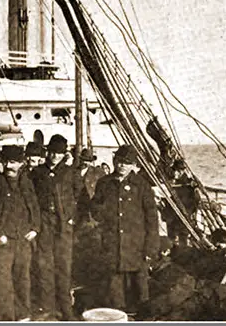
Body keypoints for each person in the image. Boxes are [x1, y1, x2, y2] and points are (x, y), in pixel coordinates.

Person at [90, 145, 160, 313]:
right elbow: (95, 206)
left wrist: (151, 246)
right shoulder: (104, 183)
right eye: (120, 161)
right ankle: (119, 311)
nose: (122, 166)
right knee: (115, 278)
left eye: (127, 163)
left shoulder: (142, 186)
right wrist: (102, 216)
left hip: (136, 241)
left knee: (140, 279)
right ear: (114, 161)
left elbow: (152, 218)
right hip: (112, 239)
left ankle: (143, 313)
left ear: (133, 165)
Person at [0, 146, 41, 321]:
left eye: (13, 162)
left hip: (23, 241)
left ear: (21, 163)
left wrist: (35, 229)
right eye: (5, 161)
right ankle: (7, 319)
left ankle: (23, 317)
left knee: (23, 280)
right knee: (2, 283)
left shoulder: (26, 183)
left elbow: (35, 207)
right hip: (2, 242)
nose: (8, 165)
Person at [31, 134, 79, 320]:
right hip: (44, 223)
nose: (54, 157)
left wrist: (71, 219)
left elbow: (80, 199)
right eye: (51, 152)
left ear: (63, 155)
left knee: (64, 266)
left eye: (58, 154)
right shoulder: (37, 173)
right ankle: (48, 308)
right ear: (47, 152)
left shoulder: (70, 172)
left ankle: (66, 309)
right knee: (44, 266)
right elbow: (32, 198)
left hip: (63, 226)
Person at [75, 148, 106, 226]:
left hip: (91, 209)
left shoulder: (98, 173)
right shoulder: (72, 172)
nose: (85, 162)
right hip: (77, 209)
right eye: (83, 159)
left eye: (88, 161)